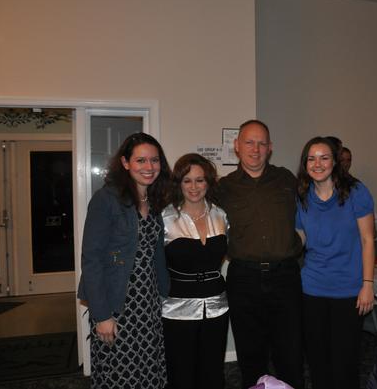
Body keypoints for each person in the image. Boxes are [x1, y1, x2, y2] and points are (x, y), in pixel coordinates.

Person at [214, 119, 304, 389]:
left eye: (262, 143)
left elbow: (313, 213)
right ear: (237, 146)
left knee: (290, 352)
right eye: (249, 142)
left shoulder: (287, 179)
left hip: (285, 276)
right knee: (250, 354)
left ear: (270, 147)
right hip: (244, 278)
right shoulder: (223, 188)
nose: (255, 149)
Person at [77, 132, 171, 389]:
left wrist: (164, 293)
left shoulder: (155, 200)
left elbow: (155, 253)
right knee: (121, 374)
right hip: (117, 304)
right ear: (125, 163)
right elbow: (91, 259)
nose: (149, 167)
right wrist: (102, 315)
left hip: (148, 303)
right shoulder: (106, 199)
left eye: (154, 160)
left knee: (149, 371)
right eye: (141, 160)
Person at [295, 136, 375, 389]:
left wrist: (368, 284)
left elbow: (368, 240)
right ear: (305, 163)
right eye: (311, 158)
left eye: (324, 157)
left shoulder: (356, 192)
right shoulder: (302, 196)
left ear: (335, 161)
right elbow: (300, 240)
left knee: (345, 361)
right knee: (318, 360)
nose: (317, 164)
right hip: (312, 288)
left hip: (349, 290)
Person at [161, 153, 229, 389]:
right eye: (187, 180)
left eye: (199, 180)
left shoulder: (221, 215)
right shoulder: (164, 218)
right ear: (178, 183)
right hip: (177, 309)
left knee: (212, 370)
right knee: (181, 372)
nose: (193, 187)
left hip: (217, 307)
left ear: (208, 182)